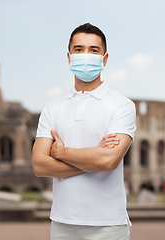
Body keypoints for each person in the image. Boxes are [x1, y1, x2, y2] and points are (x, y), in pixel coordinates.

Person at [32, 23, 136, 240]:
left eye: (93, 50)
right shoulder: (53, 107)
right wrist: (92, 159)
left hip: (108, 225)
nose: (85, 55)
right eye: (79, 50)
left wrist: (61, 153)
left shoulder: (122, 106)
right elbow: (39, 165)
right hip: (62, 222)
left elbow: (108, 161)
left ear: (105, 59)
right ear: (69, 57)